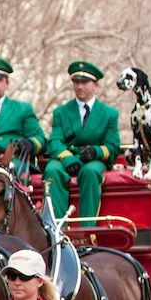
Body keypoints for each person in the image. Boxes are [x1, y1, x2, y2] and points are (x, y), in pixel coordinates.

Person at [43, 61, 121, 222]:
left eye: (84, 82)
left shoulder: (109, 114)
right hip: (67, 158)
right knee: (52, 170)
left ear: (95, 85)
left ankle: (87, 228)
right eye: (76, 82)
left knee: (90, 173)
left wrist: (95, 151)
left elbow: (113, 147)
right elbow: (55, 140)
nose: (79, 87)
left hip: (93, 160)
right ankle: (56, 228)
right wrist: (67, 157)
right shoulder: (61, 112)